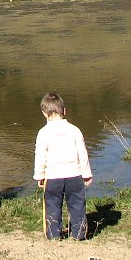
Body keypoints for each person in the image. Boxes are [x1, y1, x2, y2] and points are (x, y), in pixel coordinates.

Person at [33, 92, 93, 240]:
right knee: (77, 205)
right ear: (64, 111)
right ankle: (79, 234)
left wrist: (39, 176)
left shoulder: (43, 133)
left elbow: (40, 156)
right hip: (75, 175)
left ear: (44, 114)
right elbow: (82, 153)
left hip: (53, 177)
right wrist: (86, 174)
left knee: (52, 205)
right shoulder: (74, 130)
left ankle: (54, 235)